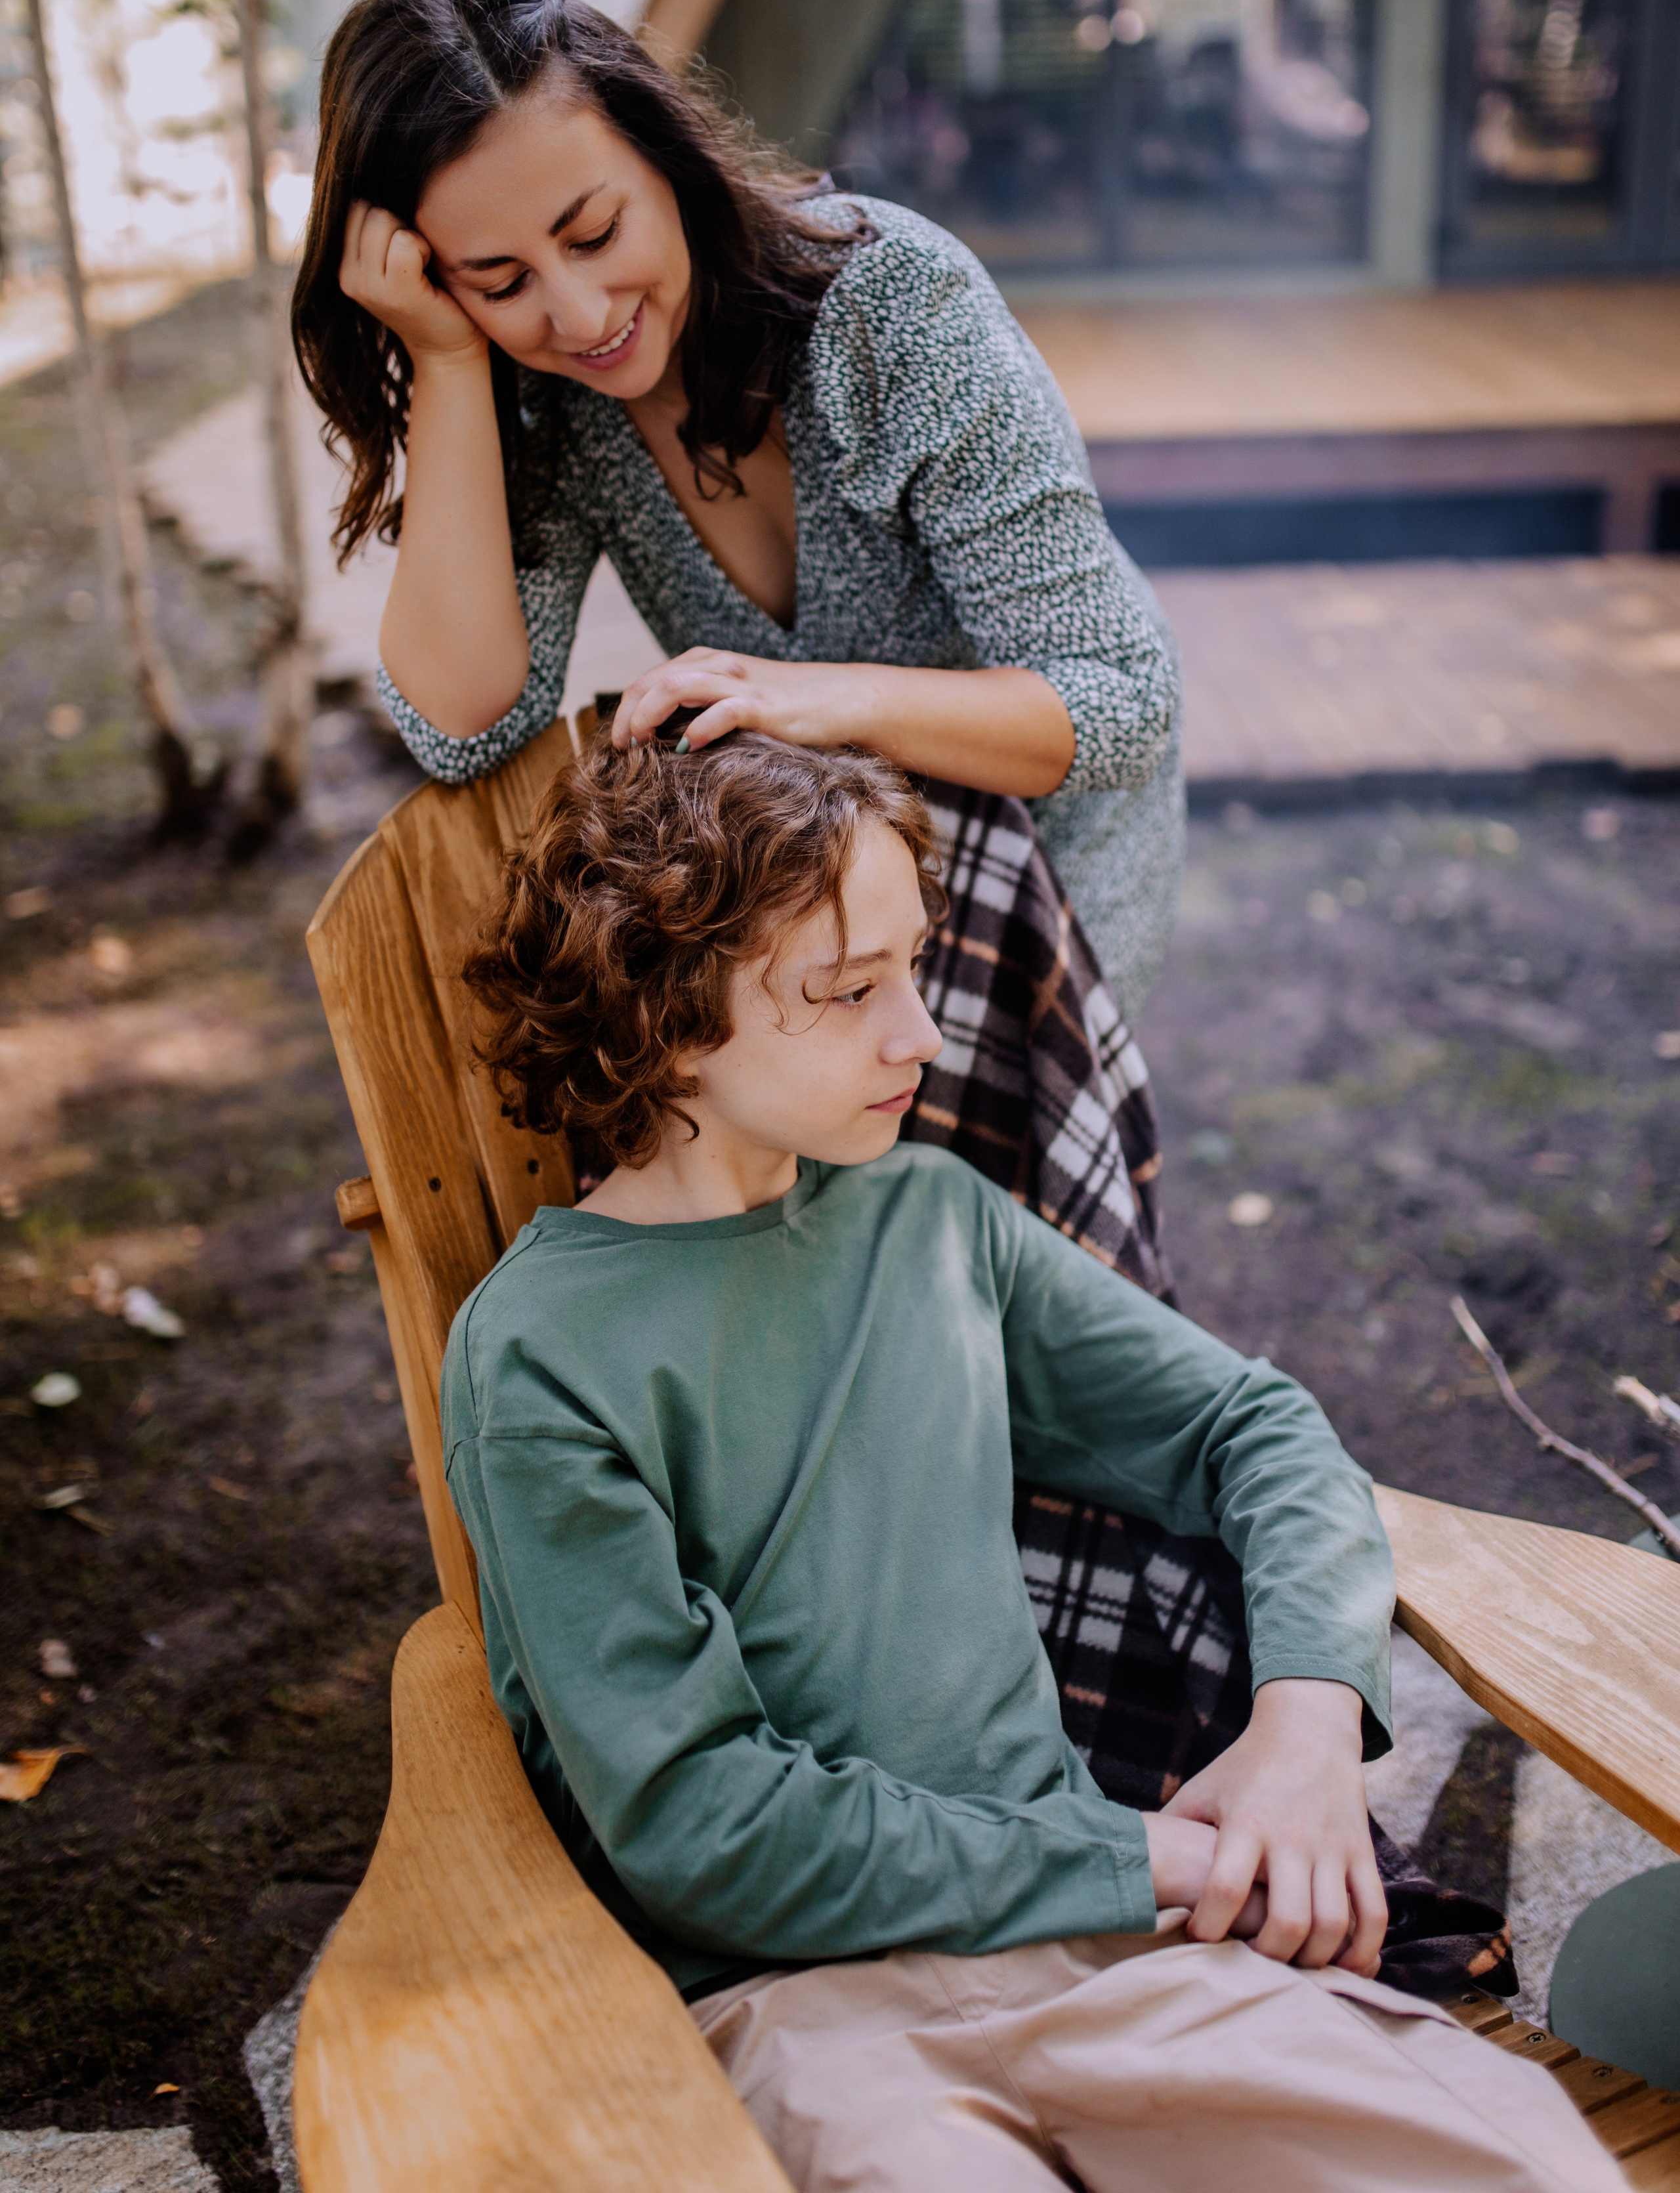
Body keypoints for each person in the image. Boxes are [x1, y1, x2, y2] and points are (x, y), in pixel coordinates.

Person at [441, 728, 1620, 2193]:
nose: (920, 1035)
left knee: (1527, 2170)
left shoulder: (935, 1226)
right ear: (672, 1018)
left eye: (909, 969)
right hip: (798, 2014)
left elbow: (1254, 1429)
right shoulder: (544, 1354)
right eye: (846, 991)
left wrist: (1302, 1736)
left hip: (1110, 1959)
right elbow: (703, 1827)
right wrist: (1170, 1863)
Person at [291, 0, 1183, 1027]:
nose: (578, 317)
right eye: (502, 279)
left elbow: (1124, 701)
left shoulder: (894, 308)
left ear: (666, 157)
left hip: (1045, 909)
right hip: (822, 943)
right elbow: (462, 723)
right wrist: (444, 357)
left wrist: (820, 701)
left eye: (595, 232)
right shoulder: (546, 408)